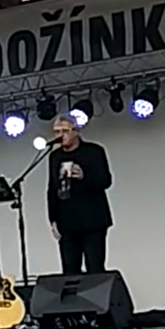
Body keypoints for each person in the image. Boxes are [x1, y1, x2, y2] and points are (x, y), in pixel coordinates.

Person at [47, 115, 113, 275]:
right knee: (70, 269)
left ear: (76, 131)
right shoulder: (55, 157)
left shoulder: (94, 151)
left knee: (95, 268)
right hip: (66, 222)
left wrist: (85, 176)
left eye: (65, 131)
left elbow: (105, 181)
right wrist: (53, 219)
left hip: (92, 221)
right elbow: (52, 188)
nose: (60, 135)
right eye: (56, 132)